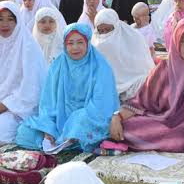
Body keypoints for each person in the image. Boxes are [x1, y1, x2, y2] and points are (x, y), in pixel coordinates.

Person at [108, 19, 184, 152]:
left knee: (178, 138)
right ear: (176, 42)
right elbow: (141, 100)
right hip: (165, 119)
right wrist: (117, 117)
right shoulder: (165, 67)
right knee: (126, 126)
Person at [16, 22, 118, 152]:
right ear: (65, 45)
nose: (75, 47)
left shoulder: (100, 66)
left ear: (87, 42)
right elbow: (48, 101)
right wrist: (48, 128)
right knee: (24, 133)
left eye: (80, 42)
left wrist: (78, 119)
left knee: (78, 122)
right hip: (60, 117)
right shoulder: (58, 65)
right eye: (70, 43)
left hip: (88, 116)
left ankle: (72, 138)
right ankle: (65, 140)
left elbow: (102, 104)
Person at [0, 1, 47, 144]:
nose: (5, 24)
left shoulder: (28, 47)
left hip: (17, 109)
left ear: (18, 21)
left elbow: (31, 90)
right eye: (0, 19)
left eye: (10, 19)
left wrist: (5, 104)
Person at [92, 9, 155, 101]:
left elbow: (143, 69)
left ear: (116, 26)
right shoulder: (95, 44)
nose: (105, 34)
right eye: (101, 31)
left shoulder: (134, 39)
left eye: (108, 30)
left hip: (133, 82)